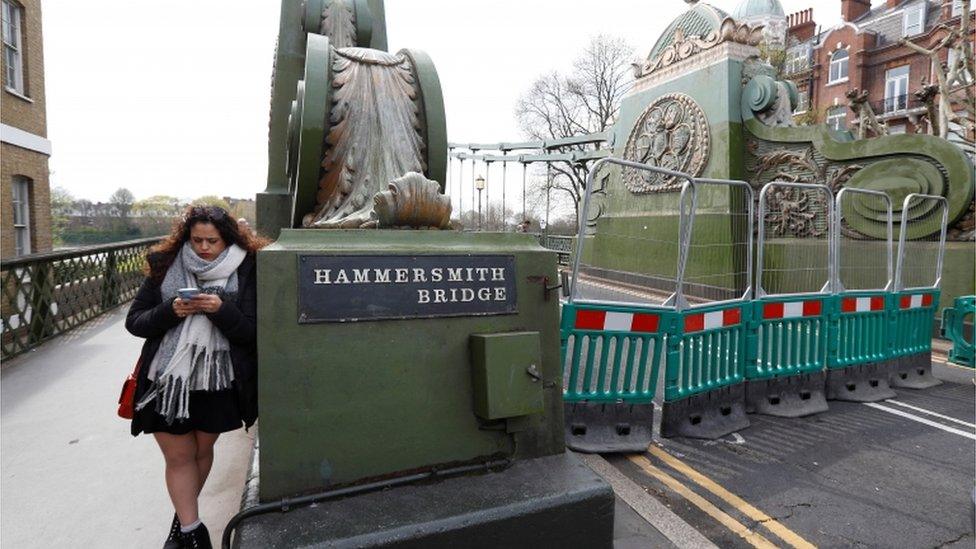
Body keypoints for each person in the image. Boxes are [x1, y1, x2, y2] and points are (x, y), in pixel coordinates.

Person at [126, 205, 268, 549]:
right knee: (178, 456)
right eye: (197, 240)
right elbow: (135, 321)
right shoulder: (165, 265)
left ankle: (181, 521)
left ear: (228, 239)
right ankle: (193, 532)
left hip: (216, 382)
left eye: (212, 241)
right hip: (165, 380)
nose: (203, 248)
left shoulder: (249, 268)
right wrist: (169, 311)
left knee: (201, 452)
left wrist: (221, 311)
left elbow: (253, 332)